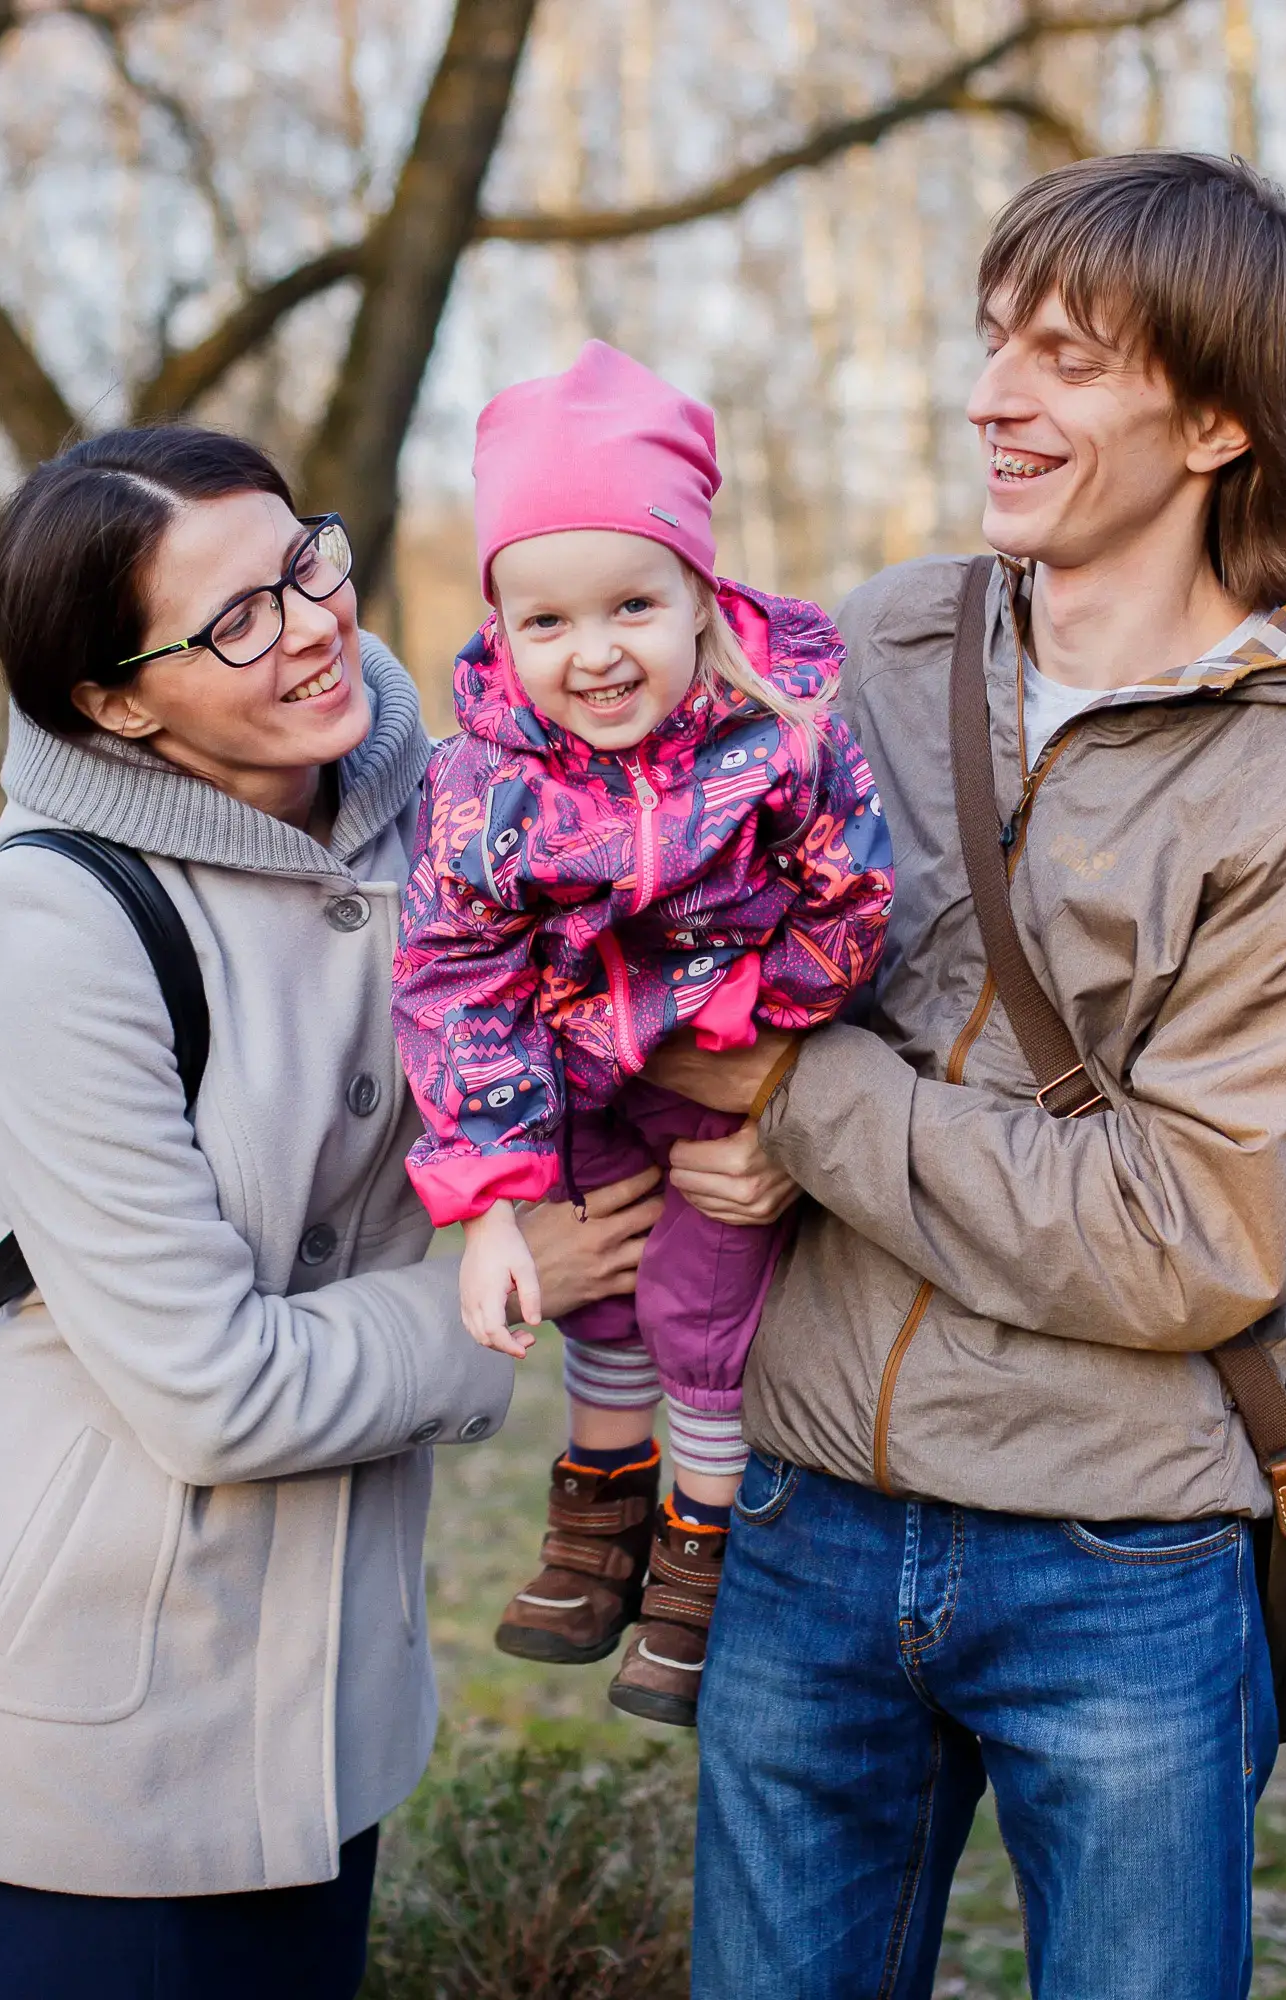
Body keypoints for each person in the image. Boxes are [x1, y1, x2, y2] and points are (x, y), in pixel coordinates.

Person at [645, 152, 1286, 1998]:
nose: (993, 392)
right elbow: (650, 896)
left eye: (1066, 357)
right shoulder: (868, 647)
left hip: (1120, 1557)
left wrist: (796, 1102)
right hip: (802, 1508)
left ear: (1221, 418)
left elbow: (1189, 1237)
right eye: (995, 338)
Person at [0, 425, 659, 2000]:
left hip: (317, 1711)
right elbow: (209, 1388)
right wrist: (511, 1283)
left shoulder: (444, 807)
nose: (309, 624)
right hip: (77, 1728)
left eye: (307, 562)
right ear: (114, 699)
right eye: (235, 620)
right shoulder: (60, 913)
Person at [392, 341, 894, 1727]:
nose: (593, 653)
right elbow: (451, 976)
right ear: (501, 628)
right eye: (545, 622)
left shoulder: (783, 739)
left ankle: (700, 1546)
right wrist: (492, 1199)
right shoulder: (481, 785)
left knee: (694, 1303)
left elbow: (855, 891)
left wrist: (760, 1009)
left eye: (632, 604)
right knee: (601, 1296)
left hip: (719, 1073)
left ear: (700, 593)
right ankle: (598, 1514)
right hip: (573, 1083)